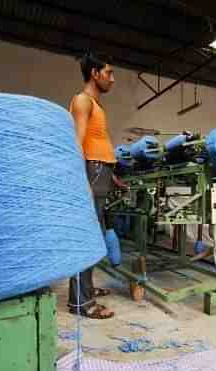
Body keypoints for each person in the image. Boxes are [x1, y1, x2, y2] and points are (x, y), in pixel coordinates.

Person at [68, 52, 125, 319]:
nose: (112, 79)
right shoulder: (83, 101)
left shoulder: (95, 104)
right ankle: (81, 302)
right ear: (95, 73)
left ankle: (86, 290)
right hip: (90, 173)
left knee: (95, 237)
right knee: (86, 237)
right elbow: (77, 144)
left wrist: (111, 176)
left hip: (100, 172)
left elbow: (96, 144)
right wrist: (83, 181)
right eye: (109, 73)